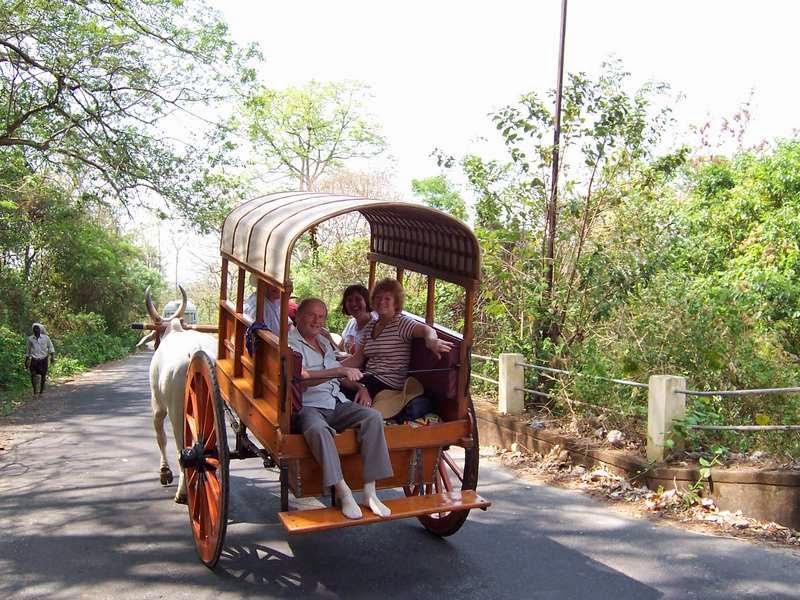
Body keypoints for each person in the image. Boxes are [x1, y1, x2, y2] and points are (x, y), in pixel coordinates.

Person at [289, 298, 393, 520]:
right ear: (298, 316)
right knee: (317, 430)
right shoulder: (290, 343)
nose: (317, 321)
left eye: (321, 316)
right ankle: (343, 491)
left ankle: (370, 491)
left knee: (373, 417)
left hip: (336, 402)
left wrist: (360, 387)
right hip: (308, 406)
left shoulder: (325, 343)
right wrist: (340, 373)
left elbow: (340, 373)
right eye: (311, 315)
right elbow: (302, 378)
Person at [345, 278, 453, 400]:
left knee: (340, 392)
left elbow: (427, 330)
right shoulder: (371, 326)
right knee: (336, 382)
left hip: (387, 384)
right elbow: (357, 359)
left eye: (387, 298)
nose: (381, 302)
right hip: (369, 378)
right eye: (378, 297)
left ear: (396, 303)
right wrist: (332, 367)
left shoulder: (401, 323)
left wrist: (432, 341)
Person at [339, 284, 377, 354]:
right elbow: (340, 349)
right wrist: (328, 337)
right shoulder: (351, 323)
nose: (353, 304)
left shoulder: (376, 325)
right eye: (349, 300)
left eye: (358, 299)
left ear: (366, 301)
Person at [25, 322, 55, 398]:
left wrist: (52, 357)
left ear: (40, 330)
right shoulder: (30, 339)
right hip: (34, 359)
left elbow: (50, 347)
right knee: (33, 375)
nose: (35, 330)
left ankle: (41, 392)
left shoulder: (46, 338)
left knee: (43, 375)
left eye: (37, 328)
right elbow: (28, 350)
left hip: (43, 359)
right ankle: (35, 392)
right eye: (34, 329)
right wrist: (26, 360)